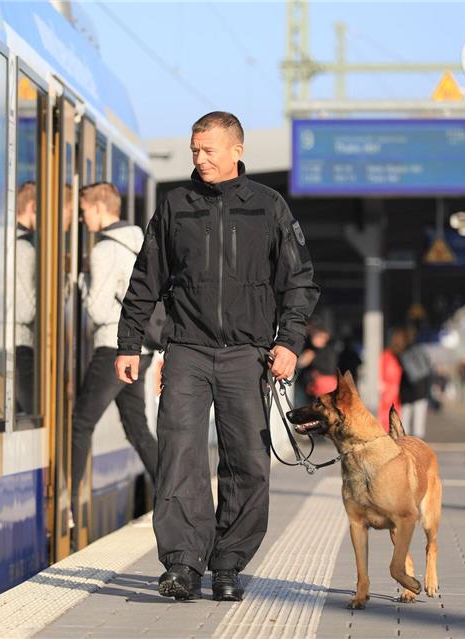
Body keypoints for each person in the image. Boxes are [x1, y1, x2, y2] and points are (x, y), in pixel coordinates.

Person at [114, 111, 320, 602]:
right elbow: (146, 278)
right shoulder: (175, 206)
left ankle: (228, 564)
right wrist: (129, 342)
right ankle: (184, 564)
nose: (199, 158)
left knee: (246, 462)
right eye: (194, 150)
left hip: (247, 355)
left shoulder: (269, 208)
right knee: (180, 456)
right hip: (185, 349)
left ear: (236, 151)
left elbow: (299, 281)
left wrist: (289, 341)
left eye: (208, 150)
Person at [70, 182, 158, 519]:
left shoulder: (104, 249)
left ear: (98, 208)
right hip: (144, 348)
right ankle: (169, 494)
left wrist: (81, 284)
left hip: (113, 347)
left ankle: (68, 506)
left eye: (84, 211)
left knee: (80, 422)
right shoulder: (140, 240)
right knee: (136, 426)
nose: (82, 218)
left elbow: (97, 310)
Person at [15, 182, 38, 415]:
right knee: (33, 412)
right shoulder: (24, 249)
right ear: (32, 207)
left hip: (0, 344)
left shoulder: (4, 241)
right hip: (19, 343)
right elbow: (25, 310)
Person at [398, 327, 432, 438]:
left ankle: (405, 444)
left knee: (405, 419)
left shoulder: (402, 354)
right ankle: (418, 444)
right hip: (420, 389)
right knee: (419, 421)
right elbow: (428, 367)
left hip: (407, 391)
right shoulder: (421, 350)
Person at [297, 322, 338, 401]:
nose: (316, 338)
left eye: (320, 336)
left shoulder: (329, 350)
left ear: (326, 337)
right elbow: (300, 363)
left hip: (321, 385)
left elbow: (329, 368)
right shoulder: (309, 348)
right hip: (309, 386)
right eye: (316, 335)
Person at [378, 327, 407, 432]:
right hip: (392, 390)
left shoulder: (388, 355)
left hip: (392, 390)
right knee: (391, 413)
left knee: (389, 413)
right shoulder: (391, 356)